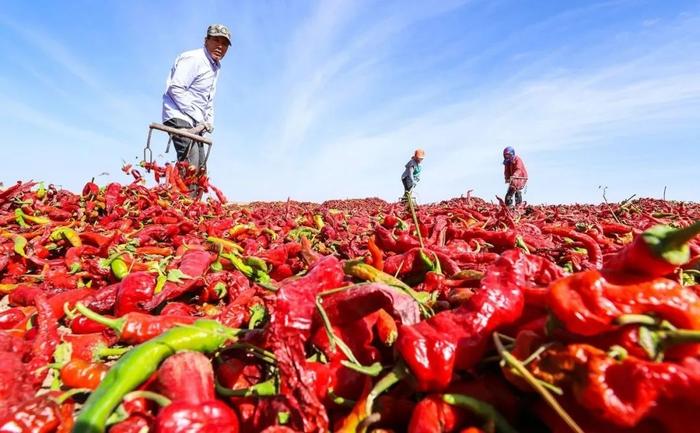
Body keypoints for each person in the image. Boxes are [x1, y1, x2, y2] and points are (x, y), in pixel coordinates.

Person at [162, 24, 231, 171]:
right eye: (216, 40)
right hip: (179, 115)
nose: (220, 46)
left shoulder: (214, 67)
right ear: (206, 40)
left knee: (200, 171)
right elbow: (176, 88)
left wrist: (209, 121)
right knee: (190, 167)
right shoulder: (194, 58)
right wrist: (198, 118)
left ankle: (182, 193)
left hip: (195, 122)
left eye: (224, 43)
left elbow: (208, 98)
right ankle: (183, 194)